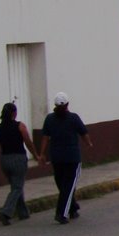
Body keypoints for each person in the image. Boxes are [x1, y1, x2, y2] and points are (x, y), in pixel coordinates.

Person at [39, 92, 93, 225]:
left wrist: (42, 154)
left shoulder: (50, 119)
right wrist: (89, 144)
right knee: (68, 186)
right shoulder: (73, 118)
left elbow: (45, 138)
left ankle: (73, 208)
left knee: (63, 185)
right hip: (72, 158)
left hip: (57, 158)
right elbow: (84, 133)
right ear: (68, 104)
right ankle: (61, 213)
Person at [0, 102, 38, 226]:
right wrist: (36, 155)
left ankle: (23, 212)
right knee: (17, 187)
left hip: (4, 160)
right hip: (18, 159)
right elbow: (28, 142)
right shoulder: (20, 126)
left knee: (15, 186)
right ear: (14, 113)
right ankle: (6, 212)